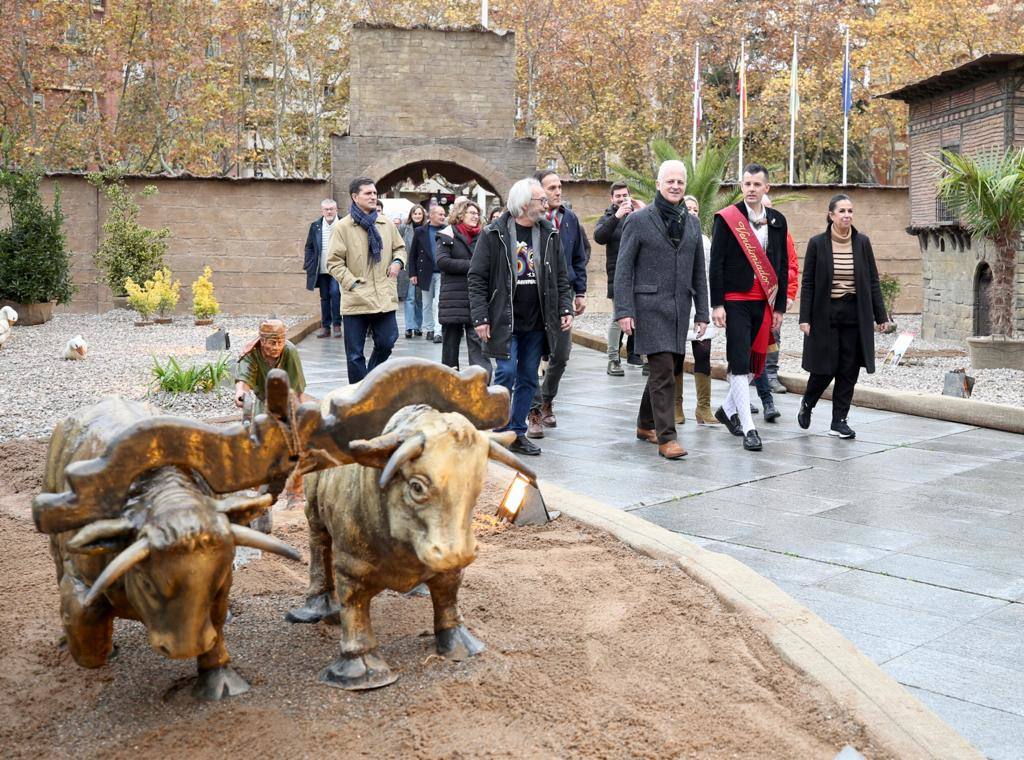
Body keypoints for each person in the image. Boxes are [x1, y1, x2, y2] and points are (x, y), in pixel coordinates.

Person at [468, 178, 572, 456]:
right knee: (506, 373)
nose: (546, 204)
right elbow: (476, 278)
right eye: (541, 200)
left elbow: (561, 276)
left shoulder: (549, 233)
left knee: (528, 377)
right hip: (505, 320)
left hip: (537, 322)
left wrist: (565, 307)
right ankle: (500, 433)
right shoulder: (494, 233)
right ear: (525, 204)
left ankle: (517, 432)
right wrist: (480, 318)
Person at [614, 161, 709, 460]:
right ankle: (667, 438)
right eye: (670, 181)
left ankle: (645, 424)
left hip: (680, 309)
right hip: (649, 307)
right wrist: (624, 310)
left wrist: (703, 312)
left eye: (680, 182)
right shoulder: (639, 220)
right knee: (664, 369)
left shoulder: (693, 223)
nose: (675, 186)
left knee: (664, 369)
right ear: (658, 184)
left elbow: (698, 273)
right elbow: (623, 269)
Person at [709, 164, 789, 452]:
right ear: (741, 187)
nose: (752, 189)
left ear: (766, 188)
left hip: (764, 301)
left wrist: (779, 307)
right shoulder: (728, 219)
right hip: (735, 300)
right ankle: (749, 428)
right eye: (747, 184)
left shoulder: (778, 221)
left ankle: (726, 410)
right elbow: (715, 263)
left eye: (757, 184)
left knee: (756, 360)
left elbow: (780, 265)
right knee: (740, 359)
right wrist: (716, 303)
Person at [798, 194, 890, 438]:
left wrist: (881, 317)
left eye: (850, 211)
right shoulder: (817, 243)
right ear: (831, 215)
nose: (847, 215)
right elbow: (807, 282)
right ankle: (808, 402)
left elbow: (872, 280)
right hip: (825, 313)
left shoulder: (862, 243)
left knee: (849, 368)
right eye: (842, 211)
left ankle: (839, 420)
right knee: (824, 367)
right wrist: (804, 317)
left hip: (854, 314)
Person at [526, 170, 588, 438]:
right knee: (529, 356)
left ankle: (547, 398)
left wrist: (581, 291)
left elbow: (579, 257)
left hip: (562, 296)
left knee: (561, 354)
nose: (557, 191)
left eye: (559, 186)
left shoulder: (570, 219)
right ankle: (535, 411)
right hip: (532, 297)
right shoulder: (529, 220)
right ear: (538, 192)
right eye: (551, 187)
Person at [326, 177, 406, 384]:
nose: (373, 196)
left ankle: (368, 382)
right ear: (355, 197)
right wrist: (351, 283)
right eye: (368, 193)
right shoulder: (343, 227)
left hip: (383, 296)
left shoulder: (386, 224)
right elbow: (333, 262)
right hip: (356, 299)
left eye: (374, 193)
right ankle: (357, 397)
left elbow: (400, 248)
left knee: (388, 340)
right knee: (354, 354)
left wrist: (397, 262)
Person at [233, 318, 314, 510]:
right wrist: (240, 393)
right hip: (263, 403)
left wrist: (299, 413)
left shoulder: (289, 351)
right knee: (259, 446)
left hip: (288, 400)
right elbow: (243, 380)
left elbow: (297, 387)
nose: (276, 346)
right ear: (262, 340)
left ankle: (295, 494)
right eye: (272, 342)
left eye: (280, 341)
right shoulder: (251, 354)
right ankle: (262, 494)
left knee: (294, 445)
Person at [750, 193, 801, 423]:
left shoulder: (782, 233)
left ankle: (769, 382)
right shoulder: (744, 233)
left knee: (770, 341)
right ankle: (744, 392)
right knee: (743, 347)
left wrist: (788, 295)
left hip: (772, 298)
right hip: (746, 298)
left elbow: (790, 266)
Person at [594, 181, 645, 376]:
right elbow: (599, 237)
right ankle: (613, 359)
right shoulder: (608, 218)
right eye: (618, 196)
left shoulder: (639, 215)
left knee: (643, 315)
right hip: (618, 275)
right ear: (612, 199)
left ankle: (640, 356)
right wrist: (616, 216)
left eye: (625, 195)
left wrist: (644, 210)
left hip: (641, 274)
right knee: (618, 316)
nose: (622, 199)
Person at [436, 199, 491, 376]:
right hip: (453, 299)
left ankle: (481, 383)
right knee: (450, 347)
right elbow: (443, 261)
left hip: (476, 298)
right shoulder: (447, 234)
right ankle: (449, 385)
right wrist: (474, 266)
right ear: (461, 214)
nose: (476, 217)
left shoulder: (483, 235)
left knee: (478, 344)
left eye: (477, 214)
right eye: (472, 213)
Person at [683, 194, 718, 425]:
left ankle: (703, 408)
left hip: (701, 303)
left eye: (696, 209)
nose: (692, 213)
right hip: (679, 303)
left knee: (703, 353)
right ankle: (676, 406)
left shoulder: (706, 242)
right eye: (688, 209)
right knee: (675, 357)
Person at [303, 199, 342, 339]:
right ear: (322, 211)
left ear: (336, 210)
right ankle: (326, 327)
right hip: (322, 269)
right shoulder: (315, 226)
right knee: (324, 297)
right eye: (326, 209)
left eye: (332, 209)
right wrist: (309, 263)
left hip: (338, 268)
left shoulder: (344, 224)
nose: (329, 211)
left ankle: (337, 325)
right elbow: (309, 246)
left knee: (336, 293)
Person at [409, 203, 446, 343]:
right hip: (425, 272)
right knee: (426, 303)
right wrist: (412, 274)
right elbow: (413, 254)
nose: (443, 216)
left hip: (442, 272)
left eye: (444, 214)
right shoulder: (420, 231)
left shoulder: (448, 230)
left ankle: (438, 331)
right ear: (431, 215)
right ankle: (429, 329)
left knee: (439, 302)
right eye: (440, 214)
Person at [398, 205, 425, 338]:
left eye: (420, 214)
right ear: (411, 215)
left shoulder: (426, 229)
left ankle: (418, 326)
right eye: (415, 213)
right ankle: (409, 326)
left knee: (419, 299)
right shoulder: (404, 228)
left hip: (422, 268)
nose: (417, 216)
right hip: (407, 268)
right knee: (409, 298)